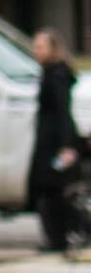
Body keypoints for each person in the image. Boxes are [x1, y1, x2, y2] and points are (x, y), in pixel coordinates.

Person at [29, 29, 86, 252]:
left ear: (53, 49)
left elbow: (63, 112)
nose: (36, 51)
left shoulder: (58, 75)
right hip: (47, 141)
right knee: (49, 192)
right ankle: (56, 238)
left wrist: (66, 146)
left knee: (53, 192)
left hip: (55, 143)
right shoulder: (47, 72)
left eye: (41, 47)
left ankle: (59, 238)